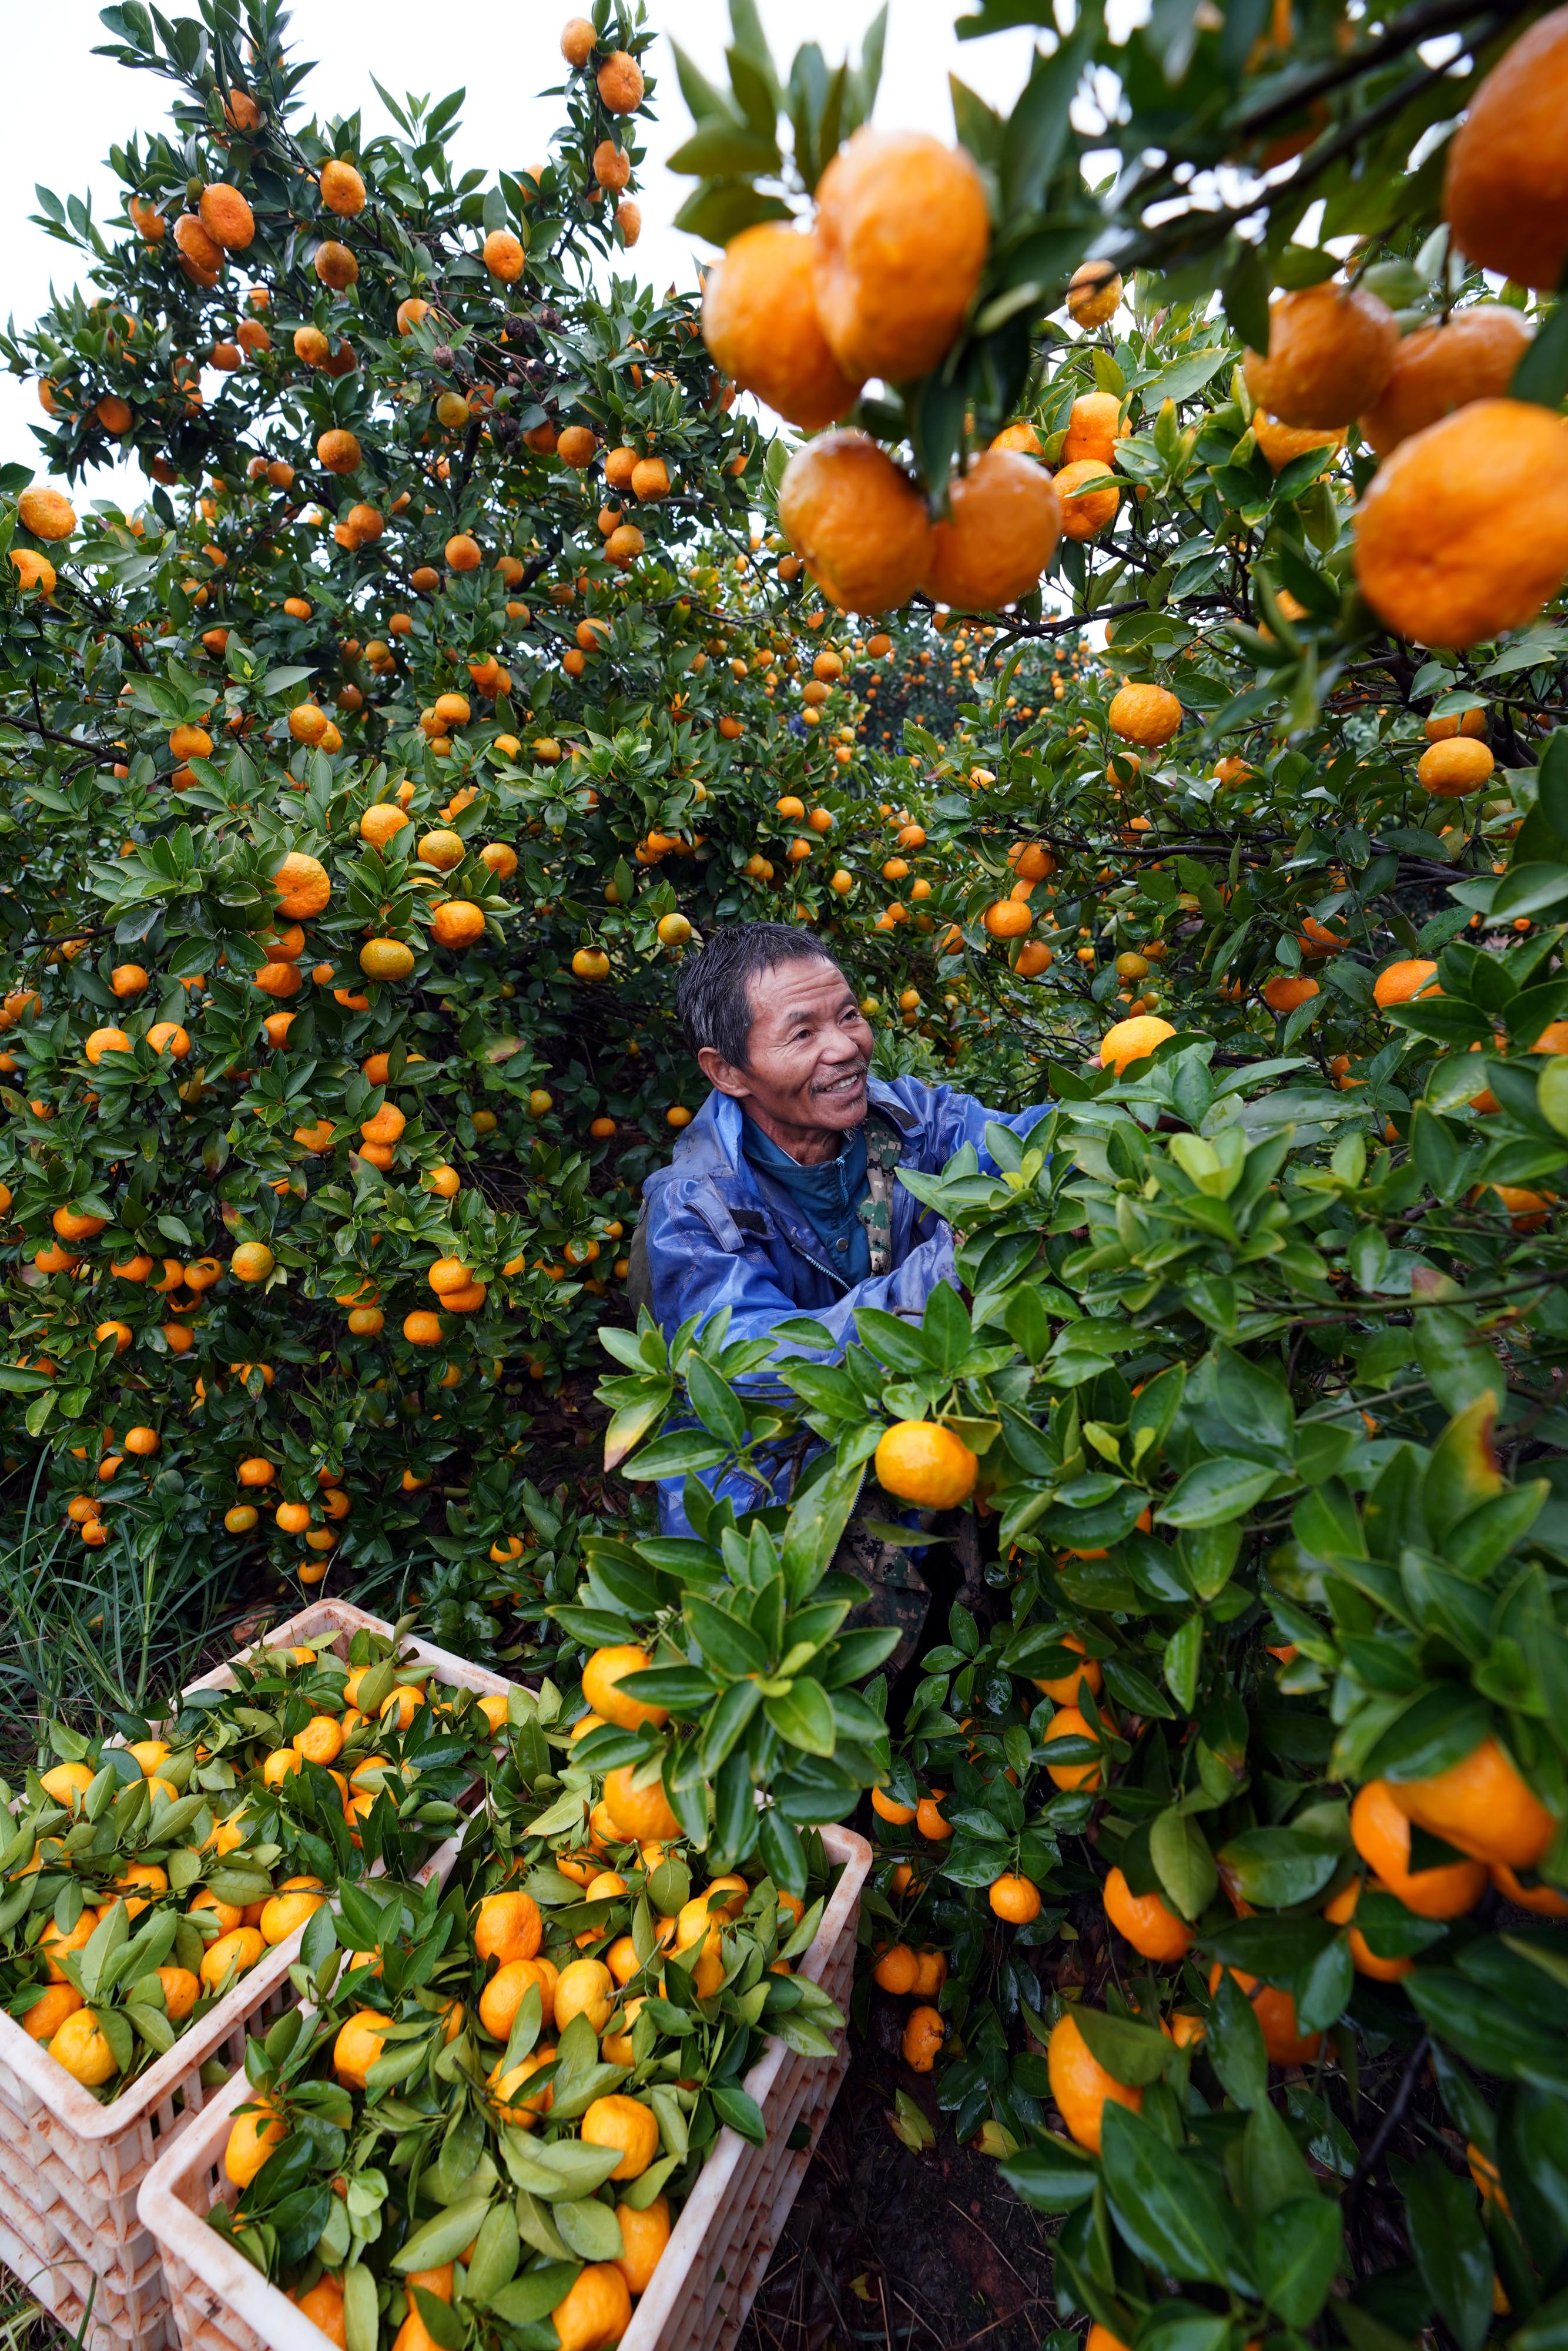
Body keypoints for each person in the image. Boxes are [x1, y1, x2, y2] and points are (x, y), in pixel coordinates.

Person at [633, 925, 1050, 1646]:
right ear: (728, 1070)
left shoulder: (913, 1122)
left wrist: (1130, 1118)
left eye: (849, 1015)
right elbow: (767, 1367)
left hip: (919, 1442)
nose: (844, 1047)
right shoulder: (690, 1208)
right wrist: (951, 1268)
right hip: (780, 1486)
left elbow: (1027, 1145)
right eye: (802, 1033)